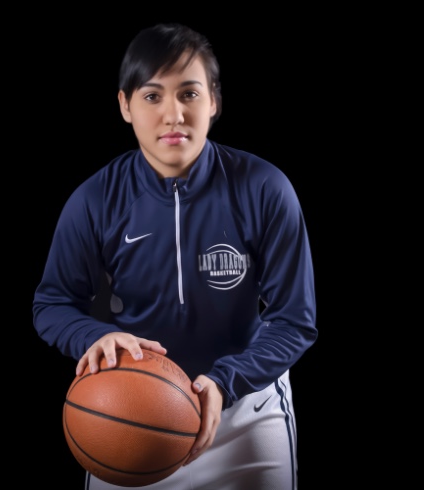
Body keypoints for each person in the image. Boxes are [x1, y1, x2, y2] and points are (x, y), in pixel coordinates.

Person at [33, 22, 317, 490]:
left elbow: (295, 319)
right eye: (152, 96)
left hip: (243, 407)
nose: (173, 115)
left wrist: (225, 381)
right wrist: (94, 335)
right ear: (125, 105)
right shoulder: (95, 199)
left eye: (189, 94)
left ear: (214, 102)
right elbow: (51, 303)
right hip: (127, 411)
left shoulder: (265, 188)